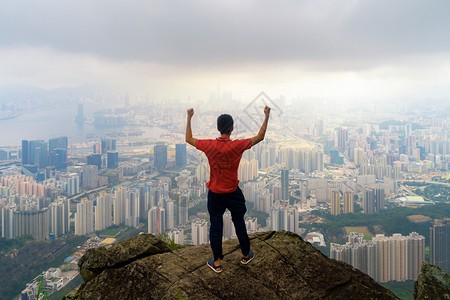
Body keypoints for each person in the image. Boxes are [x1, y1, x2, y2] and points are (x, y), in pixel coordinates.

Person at [185, 106, 271, 273]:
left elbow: (188, 138)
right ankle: (246, 254)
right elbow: (260, 137)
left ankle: (216, 263)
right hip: (233, 193)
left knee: (215, 226)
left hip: (215, 194)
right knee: (239, 222)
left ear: (218, 128)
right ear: (232, 129)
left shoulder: (209, 145)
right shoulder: (237, 146)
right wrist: (266, 116)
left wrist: (189, 117)